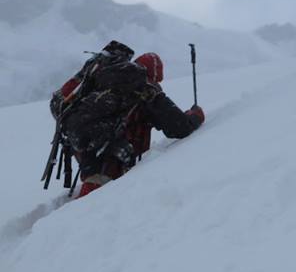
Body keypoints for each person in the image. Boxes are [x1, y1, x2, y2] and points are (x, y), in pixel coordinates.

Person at [49, 40, 205, 198]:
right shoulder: (144, 89)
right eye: (157, 79)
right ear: (154, 74)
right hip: (113, 155)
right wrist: (196, 115)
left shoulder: (108, 82)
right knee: (97, 199)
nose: (157, 84)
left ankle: (74, 213)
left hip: (84, 144)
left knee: (93, 186)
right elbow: (179, 127)